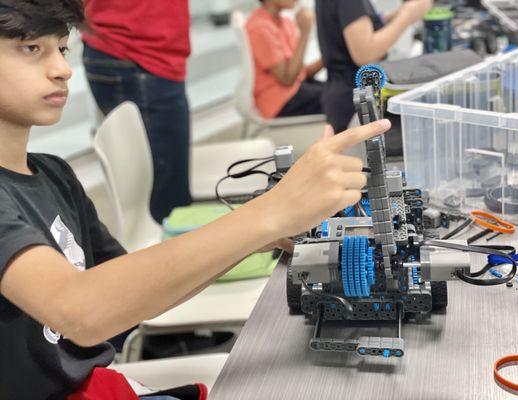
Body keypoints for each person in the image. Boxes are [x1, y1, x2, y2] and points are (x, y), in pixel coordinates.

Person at [0, 0, 391, 398]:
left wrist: (262, 235)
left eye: (62, 48)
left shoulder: (54, 174)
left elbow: (134, 295)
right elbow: (81, 312)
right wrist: (270, 213)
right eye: (31, 48)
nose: (62, 69)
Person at [82, 0, 192, 224]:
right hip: (136, 51)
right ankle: (170, 258)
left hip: (131, 48)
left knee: (157, 187)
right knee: (165, 200)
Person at [316, 0, 433, 133]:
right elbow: (365, 55)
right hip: (353, 100)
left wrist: (392, 18)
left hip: (342, 93)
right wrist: (407, 15)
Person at [246, 0, 324, 119]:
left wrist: (331, 56)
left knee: (345, 89)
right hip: (279, 102)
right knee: (342, 97)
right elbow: (288, 79)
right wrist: (305, 33)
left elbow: (300, 73)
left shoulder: (285, 22)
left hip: (296, 88)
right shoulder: (259, 28)